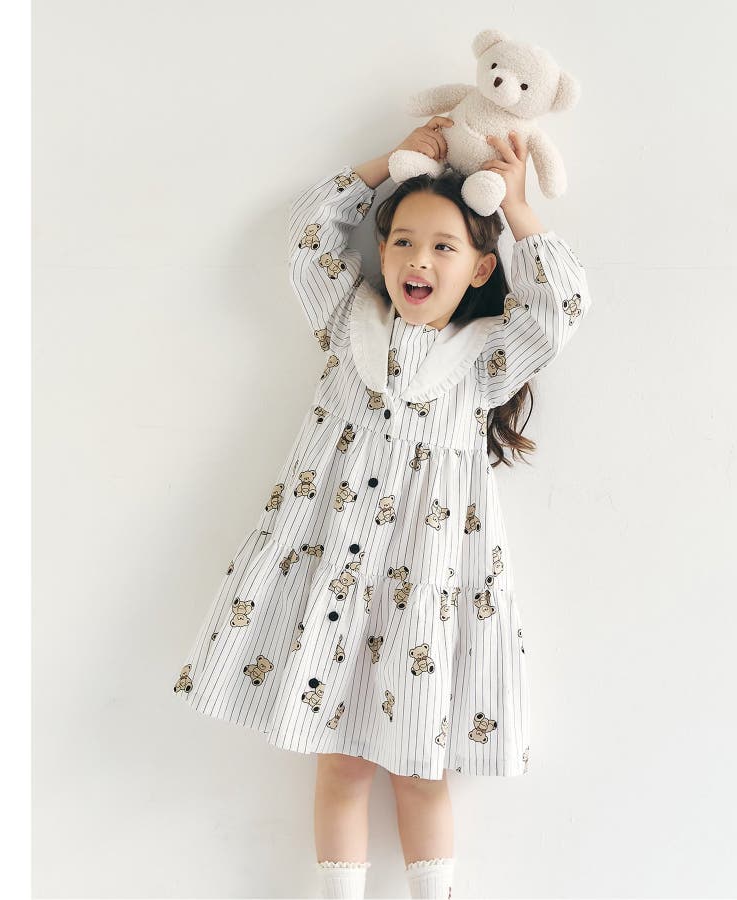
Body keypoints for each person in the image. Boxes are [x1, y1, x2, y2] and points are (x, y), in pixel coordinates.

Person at [172, 116, 593, 900]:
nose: (417, 259)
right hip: (330, 581)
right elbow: (307, 236)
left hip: (425, 599)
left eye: (442, 247)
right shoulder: (350, 325)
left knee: (420, 772)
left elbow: (562, 304)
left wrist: (515, 204)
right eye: (402, 241)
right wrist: (391, 163)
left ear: (480, 267)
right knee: (340, 764)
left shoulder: (484, 360)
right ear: (383, 251)